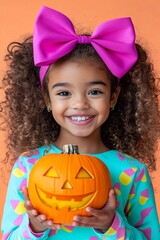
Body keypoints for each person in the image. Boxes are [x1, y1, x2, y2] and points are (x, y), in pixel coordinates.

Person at [1, 5, 160, 240]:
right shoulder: (28, 165)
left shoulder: (132, 171)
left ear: (113, 97)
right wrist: (34, 227)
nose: (80, 104)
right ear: (47, 99)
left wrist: (111, 225)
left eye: (94, 92)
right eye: (64, 93)